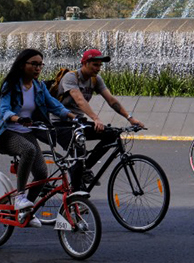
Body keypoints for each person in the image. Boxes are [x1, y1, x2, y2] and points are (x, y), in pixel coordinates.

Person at [0, 49, 75, 227]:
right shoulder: (10, 85)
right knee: (28, 150)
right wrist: (17, 118)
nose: (38, 68)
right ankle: (19, 197)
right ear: (22, 65)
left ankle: (27, 209)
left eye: (40, 64)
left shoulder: (39, 87)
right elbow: (3, 110)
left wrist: (74, 117)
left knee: (41, 173)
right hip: (7, 132)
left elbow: (54, 106)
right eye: (34, 64)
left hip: (27, 132)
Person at [53, 49, 144, 187]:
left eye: (100, 65)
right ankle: (77, 197)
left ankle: (84, 168)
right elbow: (80, 100)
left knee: (111, 135)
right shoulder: (71, 77)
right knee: (79, 152)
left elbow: (111, 100)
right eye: (95, 65)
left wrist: (130, 118)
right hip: (61, 124)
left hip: (78, 123)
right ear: (85, 63)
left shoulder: (95, 79)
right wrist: (95, 118)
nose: (98, 68)